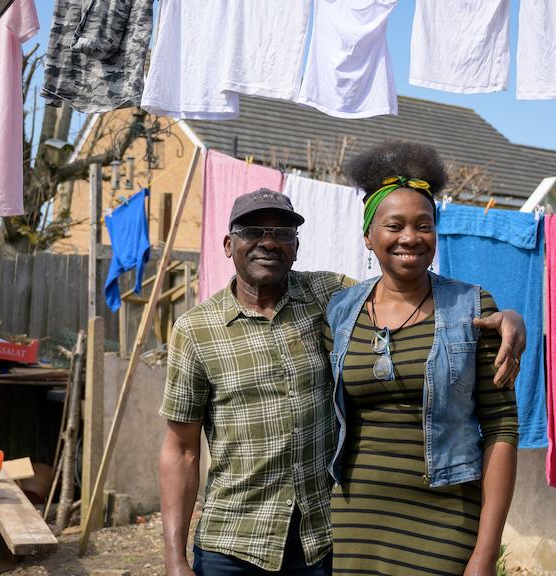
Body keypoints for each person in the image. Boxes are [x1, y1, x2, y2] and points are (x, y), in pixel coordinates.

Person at [159, 188, 525, 575]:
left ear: (297, 247)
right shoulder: (195, 330)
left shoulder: (331, 297)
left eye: (283, 234)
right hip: (234, 542)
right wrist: (173, 558)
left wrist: (511, 318)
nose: (268, 242)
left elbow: (400, 284)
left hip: (321, 540)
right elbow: (181, 451)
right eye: (253, 231)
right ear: (228, 244)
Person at [325, 141, 519, 576]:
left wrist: (485, 554)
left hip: (445, 517)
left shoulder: (472, 307)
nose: (410, 237)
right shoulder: (340, 311)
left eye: (424, 225)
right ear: (369, 236)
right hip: (355, 520)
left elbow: (502, 429)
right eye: (394, 225)